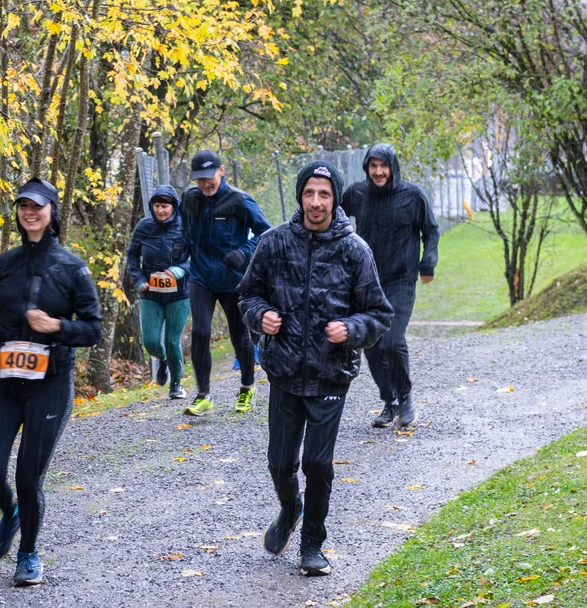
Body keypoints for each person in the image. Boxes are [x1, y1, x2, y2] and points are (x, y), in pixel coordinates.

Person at [238, 162, 392, 577]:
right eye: (310, 193)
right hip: (285, 372)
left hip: (330, 374)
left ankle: (312, 544)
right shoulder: (274, 243)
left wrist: (352, 329)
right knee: (279, 464)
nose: (317, 202)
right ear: (300, 196)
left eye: (324, 194)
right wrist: (262, 316)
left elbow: (379, 314)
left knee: (318, 465)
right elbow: (247, 296)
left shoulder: (355, 250)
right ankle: (290, 509)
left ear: (334, 199)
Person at [0, 178, 102, 586]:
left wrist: (57, 326)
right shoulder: (5, 262)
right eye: (23, 205)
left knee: (29, 476)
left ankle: (27, 552)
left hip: (50, 382)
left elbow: (93, 328)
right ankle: (10, 512)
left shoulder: (71, 267)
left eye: (38, 206)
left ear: (51, 212)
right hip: (5, 379)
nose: (30, 212)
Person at [340, 144, 439, 428]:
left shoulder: (412, 195)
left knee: (392, 341)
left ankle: (406, 397)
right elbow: (334, 217)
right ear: (367, 168)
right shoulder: (357, 195)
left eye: (383, 166)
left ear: (393, 167)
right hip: (367, 280)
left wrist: (428, 260)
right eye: (373, 166)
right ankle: (389, 401)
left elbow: (430, 230)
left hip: (400, 278)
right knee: (371, 344)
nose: (379, 172)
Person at [179, 149, 270, 416]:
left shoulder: (240, 201)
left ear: (221, 171)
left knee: (239, 335)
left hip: (233, 279)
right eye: (199, 179)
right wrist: (180, 246)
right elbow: (184, 229)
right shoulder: (189, 198)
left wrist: (244, 252)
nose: (205, 183)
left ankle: (246, 387)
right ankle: (203, 395)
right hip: (201, 277)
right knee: (200, 333)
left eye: (209, 177)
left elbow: (266, 232)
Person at [126, 184, 190, 400]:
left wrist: (181, 269)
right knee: (151, 342)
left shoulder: (185, 226)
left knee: (173, 340)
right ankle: (162, 359)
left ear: (174, 207)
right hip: (151, 293)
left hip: (179, 294)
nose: (161, 210)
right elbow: (132, 255)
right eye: (157, 206)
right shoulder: (144, 227)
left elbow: (197, 256)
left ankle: (176, 385)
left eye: (165, 206)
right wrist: (140, 279)